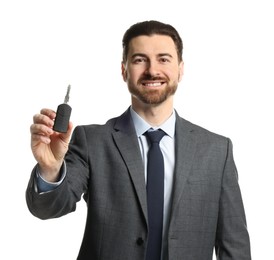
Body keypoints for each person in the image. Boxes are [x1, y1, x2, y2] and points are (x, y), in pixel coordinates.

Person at [26, 20, 251, 260]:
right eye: (139, 59)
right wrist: (50, 170)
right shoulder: (92, 141)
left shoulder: (217, 150)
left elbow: (234, 246)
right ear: (124, 70)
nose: (152, 70)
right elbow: (47, 208)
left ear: (181, 69)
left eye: (164, 59)